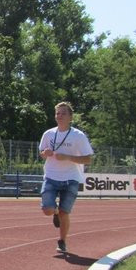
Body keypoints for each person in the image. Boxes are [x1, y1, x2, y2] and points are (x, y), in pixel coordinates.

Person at [39, 101, 93, 253]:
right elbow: (41, 153)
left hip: (71, 179)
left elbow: (88, 159)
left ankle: (62, 241)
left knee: (65, 212)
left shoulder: (78, 136)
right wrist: (45, 153)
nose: (59, 115)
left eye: (63, 113)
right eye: (57, 113)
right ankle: (54, 213)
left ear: (70, 117)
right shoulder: (48, 134)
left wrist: (67, 157)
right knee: (47, 209)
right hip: (51, 176)